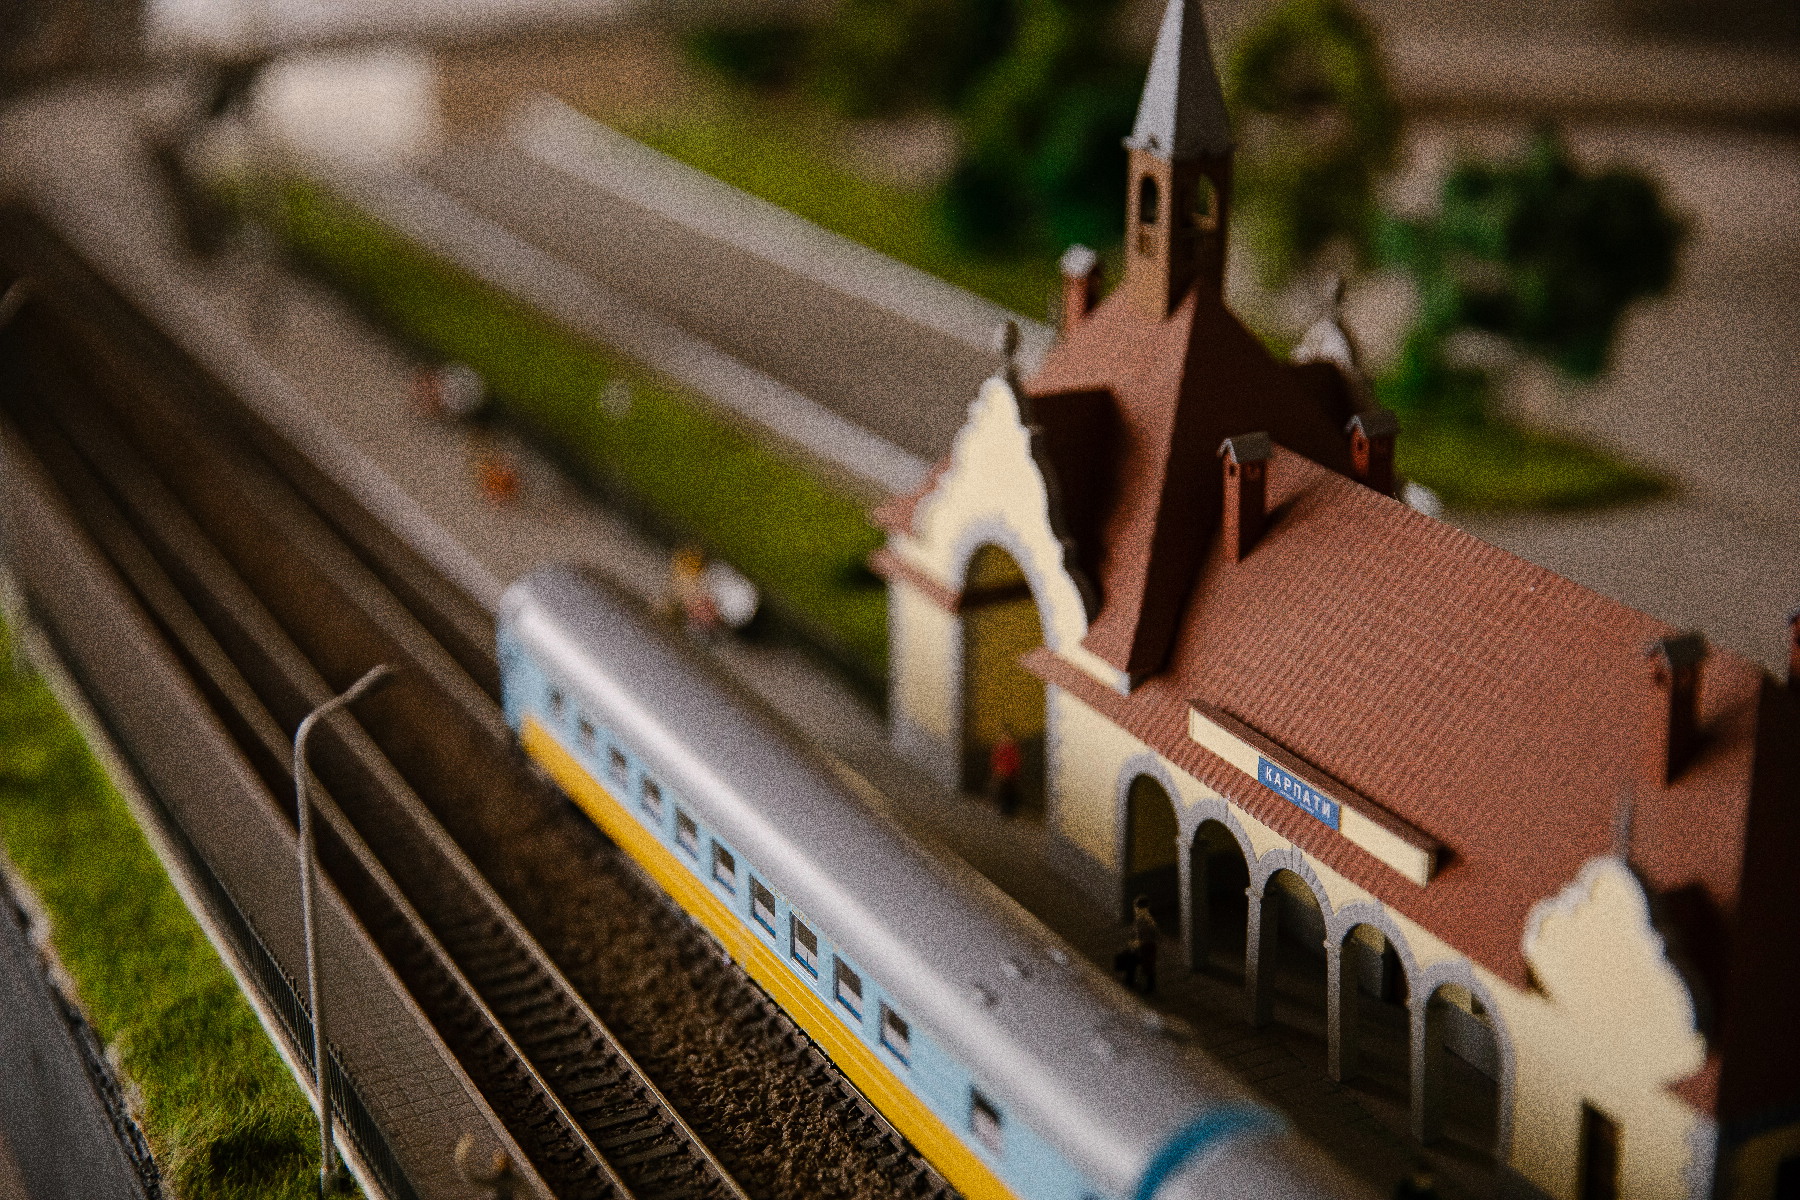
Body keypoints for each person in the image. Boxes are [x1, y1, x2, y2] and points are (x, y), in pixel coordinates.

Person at [1129, 894, 1161, 995]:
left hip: (1146, 944)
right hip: (1145, 944)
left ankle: (1150, 986)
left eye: (1137, 907)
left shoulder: (1144, 919)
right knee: (1146, 965)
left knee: (1147, 965)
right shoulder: (1144, 918)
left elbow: (1152, 932)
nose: (1135, 909)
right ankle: (1148, 985)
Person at [987, 730, 1022, 816]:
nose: (1004, 738)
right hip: (1001, 772)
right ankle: (1005, 809)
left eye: (1006, 736)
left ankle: (1009, 810)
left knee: (1008, 792)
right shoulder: (999, 747)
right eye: (1003, 736)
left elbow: (1015, 761)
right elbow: (994, 759)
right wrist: (996, 769)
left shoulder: (1012, 748)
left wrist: (1011, 771)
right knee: (1002, 791)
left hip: (1009, 773)